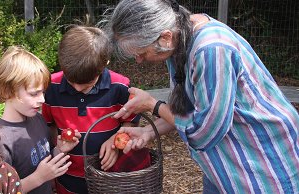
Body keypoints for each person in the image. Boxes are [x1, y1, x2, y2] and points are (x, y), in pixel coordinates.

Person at [107, 0, 299, 193]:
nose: (139, 61)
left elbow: (205, 133)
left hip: (260, 156)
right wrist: (149, 130)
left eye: (142, 53)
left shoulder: (211, 50)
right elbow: (185, 110)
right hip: (224, 162)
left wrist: (152, 104)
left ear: (165, 37)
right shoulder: (176, 40)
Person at [42, 26, 151, 194]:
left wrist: (116, 144)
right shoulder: (51, 87)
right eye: (72, 81)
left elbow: (130, 123)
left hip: (108, 178)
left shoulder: (119, 87)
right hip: (67, 177)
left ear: (104, 64)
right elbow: (49, 127)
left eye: (87, 83)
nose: (78, 88)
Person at [0, 46, 81, 194]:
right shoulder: (2, 140)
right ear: (7, 91)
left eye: (43, 92)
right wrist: (39, 178)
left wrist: (59, 149)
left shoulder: (38, 119)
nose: (42, 99)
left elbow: (43, 160)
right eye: (34, 93)